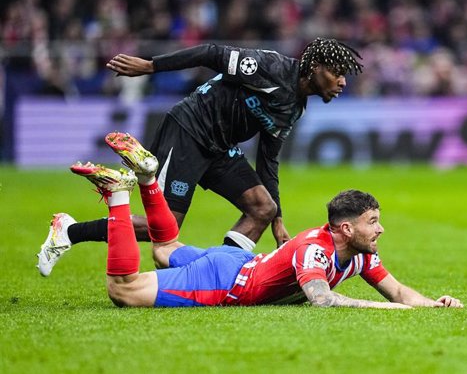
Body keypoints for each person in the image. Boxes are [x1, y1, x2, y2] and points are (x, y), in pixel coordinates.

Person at [36, 38, 364, 277]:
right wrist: (152, 66)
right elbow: (211, 53)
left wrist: (278, 222)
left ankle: (222, 276)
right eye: (339, 73)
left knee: (263, 208)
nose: (343, 82)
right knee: (160, 229)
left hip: (219, 147)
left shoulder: (294, 107)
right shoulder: (272, 68)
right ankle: (68, 231)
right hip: (189, 131)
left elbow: (268, 160)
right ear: (318, 68)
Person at [53, 133, 463, 309]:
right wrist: (403, 315)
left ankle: (147, 179)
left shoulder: (358, 255)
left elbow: (398, 292)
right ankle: (119, 195)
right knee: (122, 291)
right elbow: (323, 299)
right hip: (225, 283)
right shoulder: (314, 250)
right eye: (373, 221)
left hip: (238, 261)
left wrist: (432, 305)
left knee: (164, 247)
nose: (381, 229)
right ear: (346, 229)